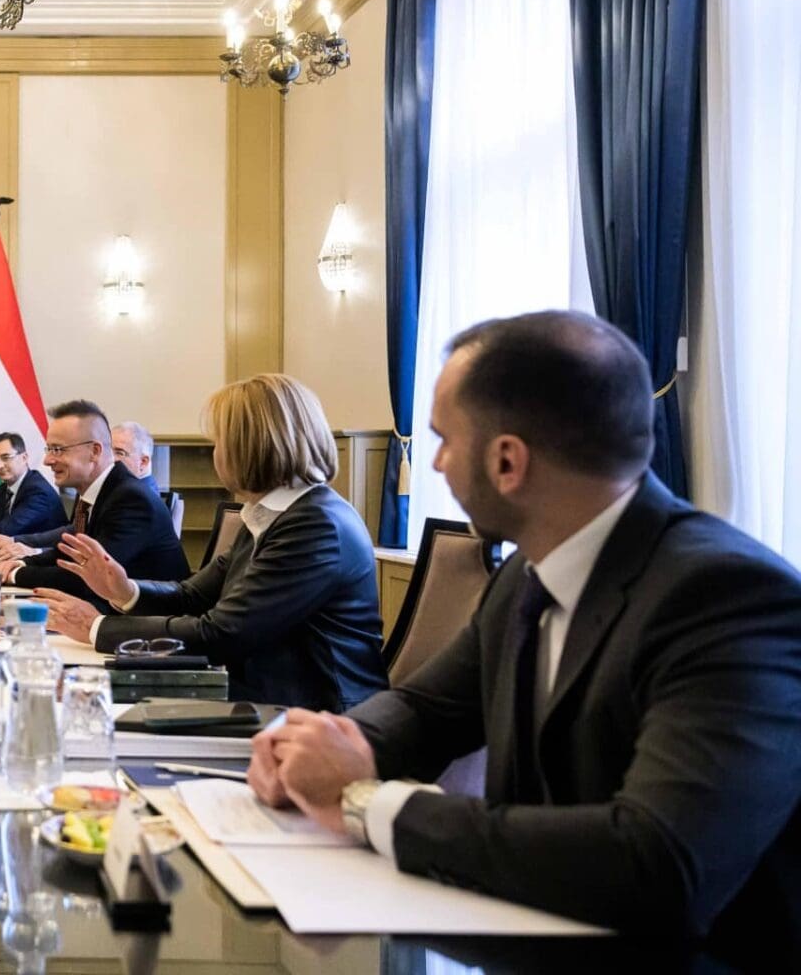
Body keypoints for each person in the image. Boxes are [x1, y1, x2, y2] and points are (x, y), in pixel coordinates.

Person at [248, 311, 801, 964]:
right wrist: (326, 748)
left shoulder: (727, 597)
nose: (436, 462)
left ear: (508, 460)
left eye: (444, 440)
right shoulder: (528, 571)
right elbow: (428, 710)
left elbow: (658, 865)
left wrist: (366, 801)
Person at [37, 376, 387, 711]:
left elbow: (222, 633)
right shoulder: (272, 513)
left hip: (313, 720)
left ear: (250, 447)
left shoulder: (314, 525)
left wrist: (97, 627)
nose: (215, 453)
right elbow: (193, 596)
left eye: (219, 441)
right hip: (259, 698)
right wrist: (125, 590)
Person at [0, 400, 188, 603]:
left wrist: (13, 575)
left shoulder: (130, 499)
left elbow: (87, 577)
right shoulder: (95, 493)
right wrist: (21, 563)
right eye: (49, 449)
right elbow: (69, 552)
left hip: (150, 624)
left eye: (57, 450)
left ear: (95, 451)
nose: (47, 460)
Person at [111, 420, 160, 495]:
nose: (109, 458)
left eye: (119, 453)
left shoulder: (136, 497)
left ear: (143, 462)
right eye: (108, 451)